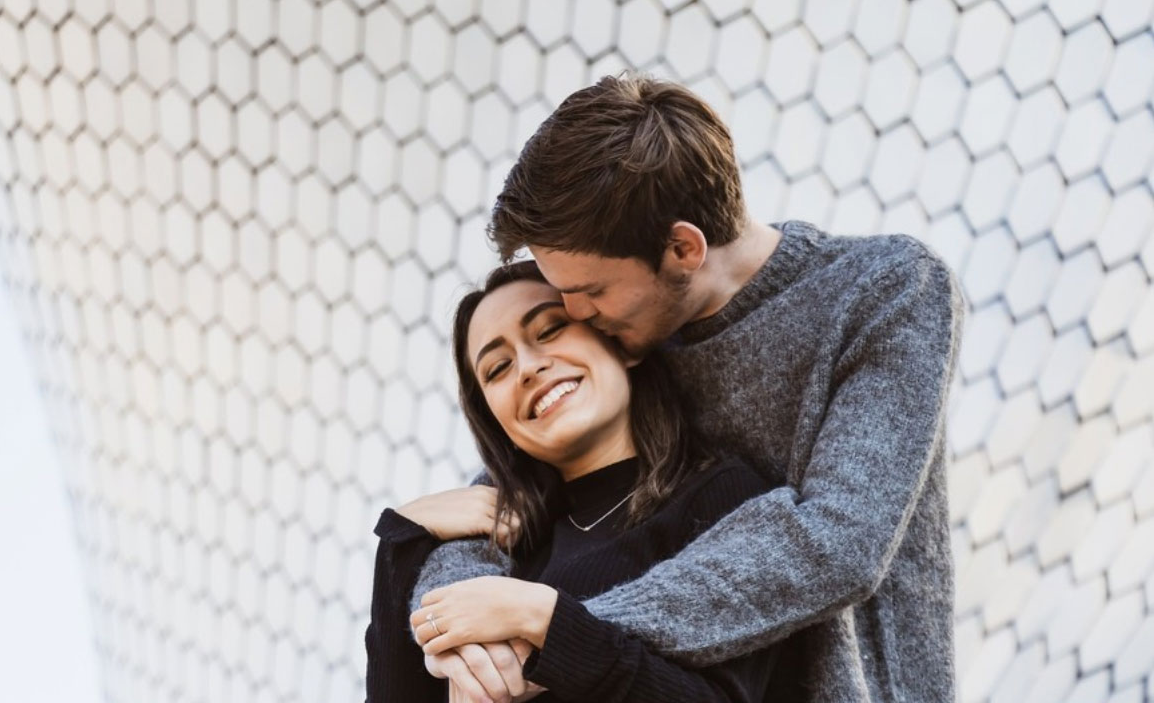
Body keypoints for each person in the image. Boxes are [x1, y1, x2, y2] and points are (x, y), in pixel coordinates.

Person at [408, 74, 965, 703]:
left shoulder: (885, 291)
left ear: (682, 248)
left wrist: (560, 632)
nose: (576, 316)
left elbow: (837, 543)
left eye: (589, 292)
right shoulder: (629, 330)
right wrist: (465, 631)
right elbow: (504, 502)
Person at [365, 261, 784, 702]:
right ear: (493, 419)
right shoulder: (500, 547)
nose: (527, 367)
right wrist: (403, 538)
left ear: (622, 343)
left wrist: (547, 623)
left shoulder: (722, 496)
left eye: (549, 330)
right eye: (497, 368)